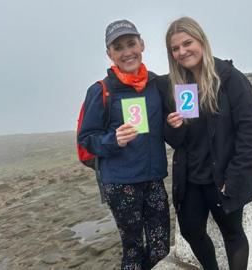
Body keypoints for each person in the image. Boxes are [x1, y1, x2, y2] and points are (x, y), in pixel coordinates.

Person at [163, 17, 252, 270]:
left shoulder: (229, 78)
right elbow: (179, 142)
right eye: (175, 48)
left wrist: (234, 176)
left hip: (223, 177)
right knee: (190, 230)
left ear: (201, 41)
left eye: (187, 43)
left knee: (233, 234)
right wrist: (173, 126)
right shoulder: (180, 85)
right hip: (192, 179)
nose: (182, 51)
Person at [78, 19, 169, 270]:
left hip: (153, 179)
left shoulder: (156, 85)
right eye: (118, 47)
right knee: (133, 250)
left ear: (142, 45)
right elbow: (86, 139)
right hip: (121, 183)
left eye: (131, 44)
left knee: (161, 247)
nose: (127, 52)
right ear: (110, 54)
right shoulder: (101, 90)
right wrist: (113, 140)